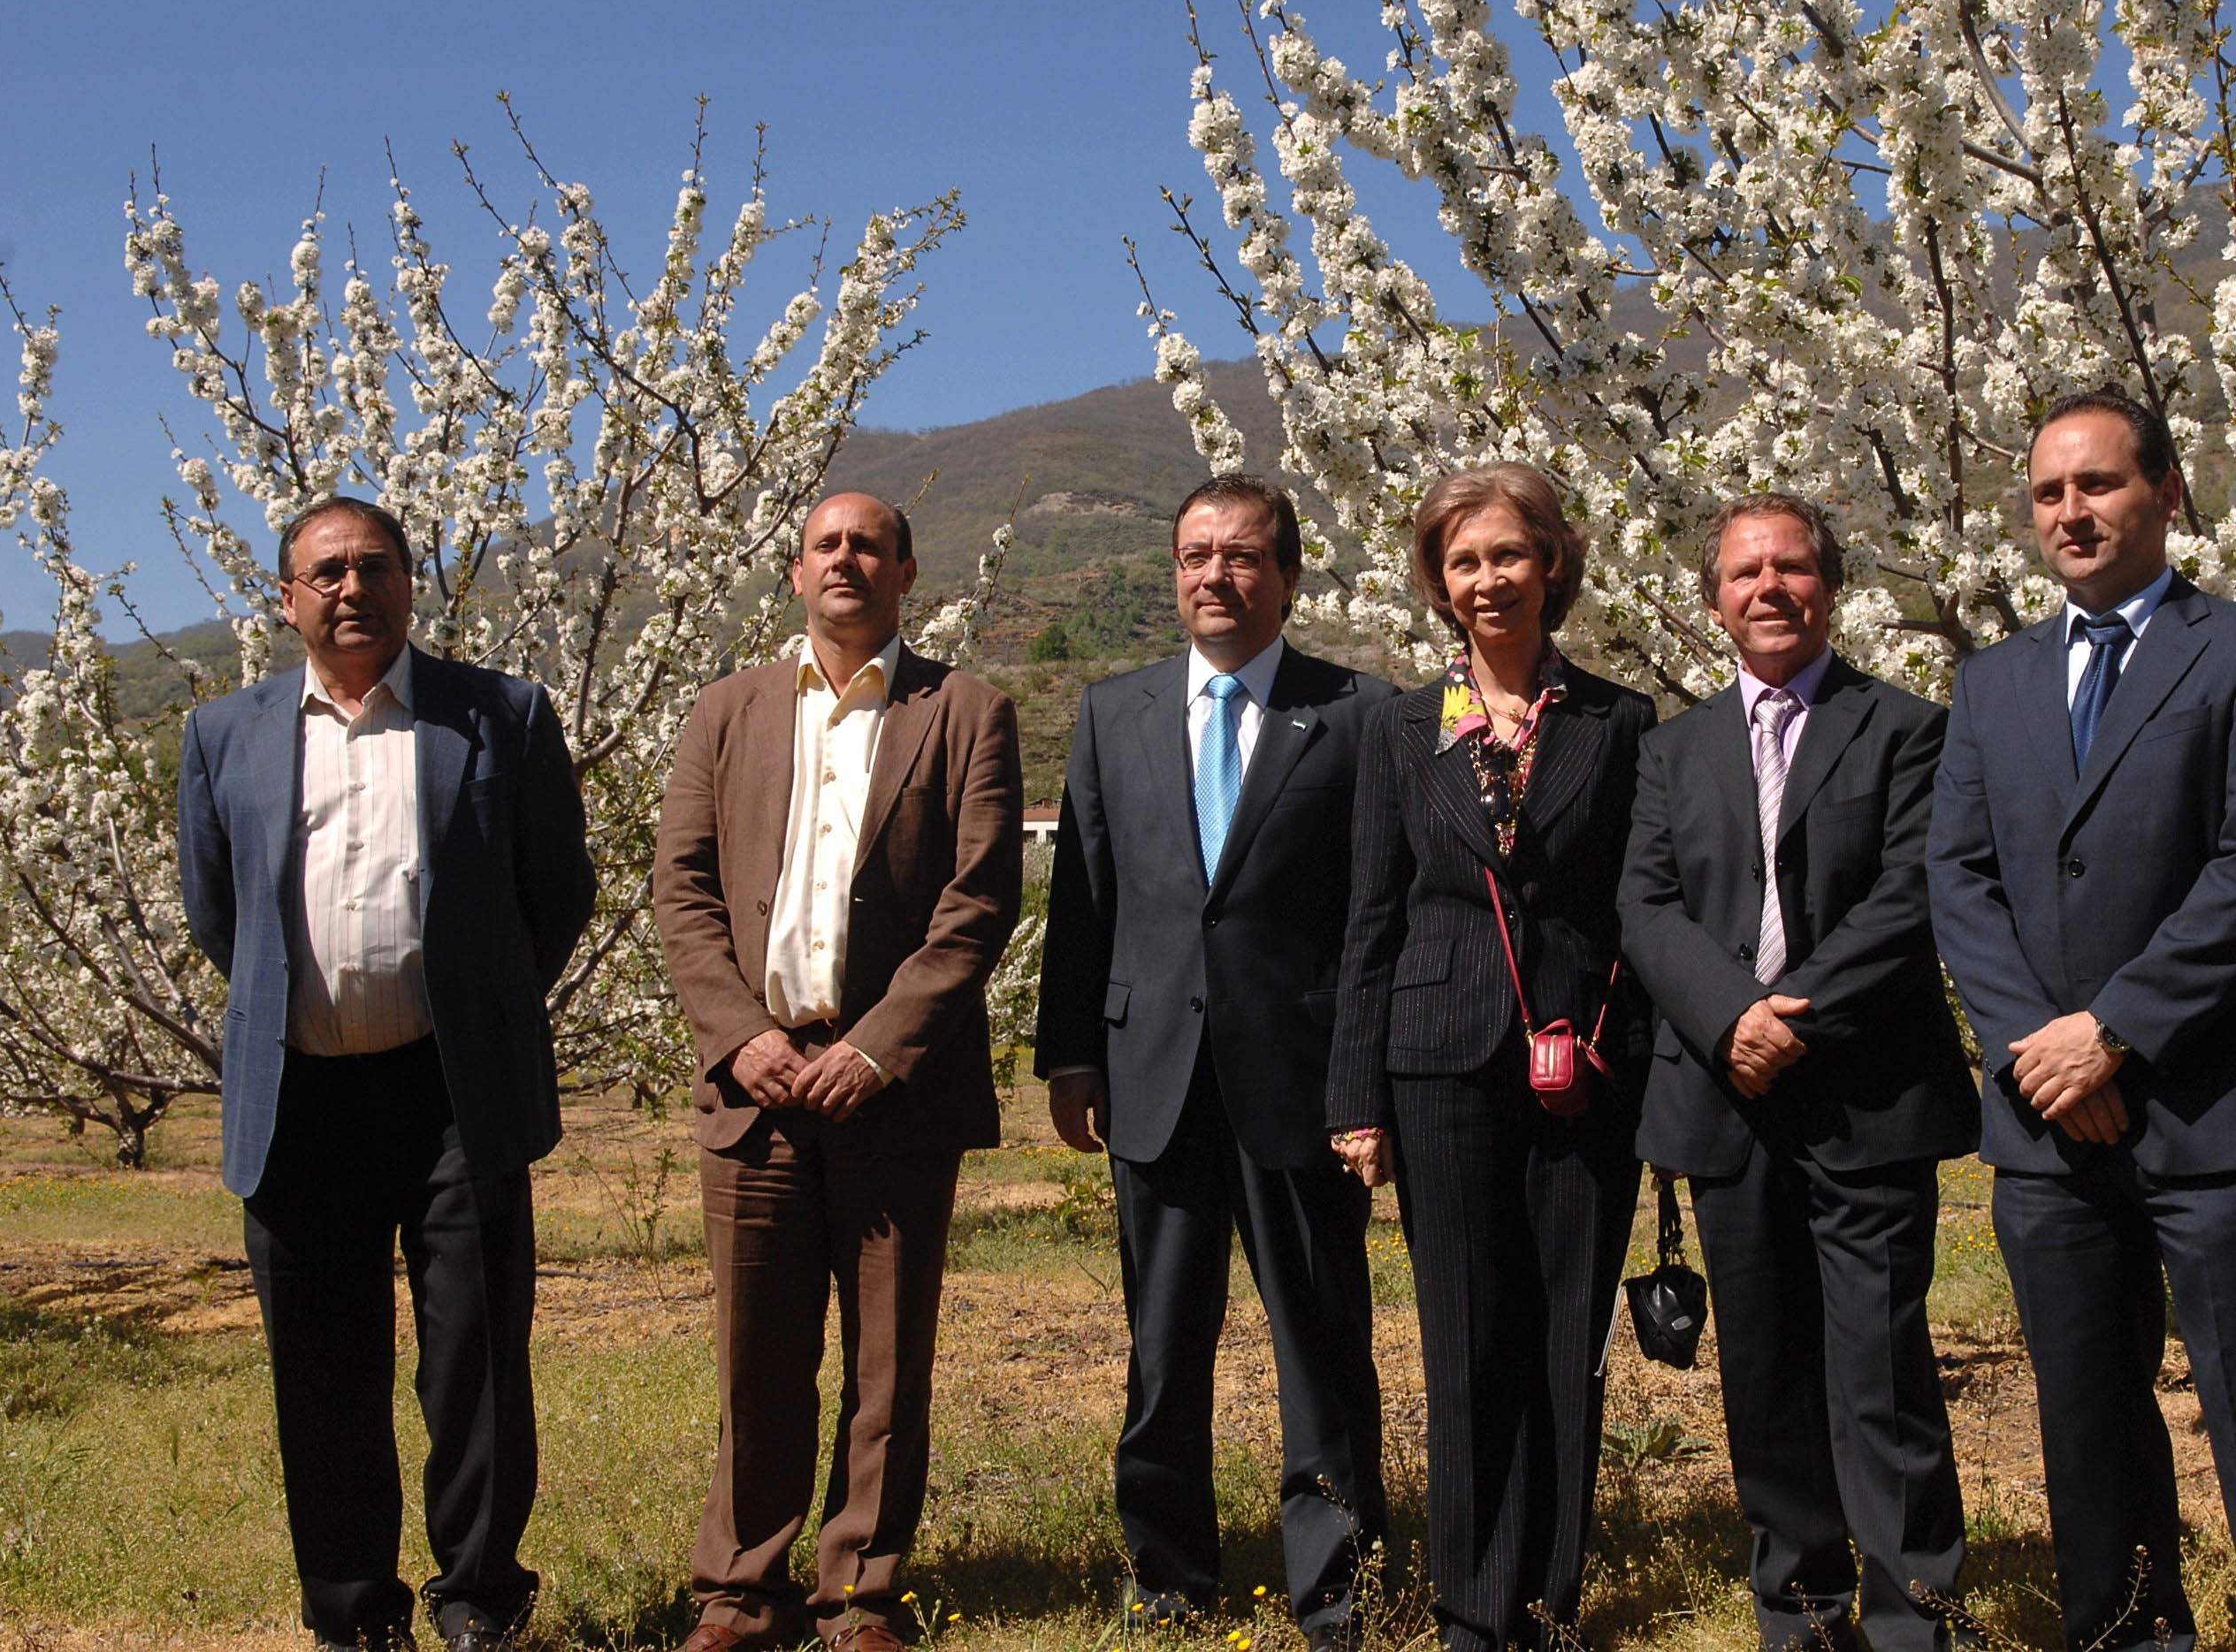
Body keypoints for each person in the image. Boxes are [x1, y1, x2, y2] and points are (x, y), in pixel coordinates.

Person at [1926, 391, 2236, 1652]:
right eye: (2049, 492)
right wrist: (2042, 1053)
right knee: (2090, 1424)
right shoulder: (1994, 680)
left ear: (2166, 493)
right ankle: (2127, 1635)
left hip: (2212, 1111)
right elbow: (1961, 879)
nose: (2071, 512)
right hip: (2050, 1132)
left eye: (2100, 484)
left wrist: (2111, 1031)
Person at [178, 496, 595, 1652]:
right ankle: (356, 1615)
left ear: (413, 583)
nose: (351, 588)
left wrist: (480, 1006)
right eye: (326, 572)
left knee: (476, 1361)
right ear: (287, 599)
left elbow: (556, 890)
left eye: (375, 566)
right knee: (322, 1371)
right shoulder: (224, 735)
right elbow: (218, 915)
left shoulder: (501, 715)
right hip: (300, 1099)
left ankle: (479, 1601)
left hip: (455, 1095)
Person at [652, 491, 1025, 1652]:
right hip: (754, 1087)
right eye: (827, 544)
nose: (847, 559)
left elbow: (979, 901)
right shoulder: (727, 711)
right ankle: (741, 1596)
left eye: (870, 544)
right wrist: (739, 1034)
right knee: (757, 1359)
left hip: (894, 1092)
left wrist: (877, 1047)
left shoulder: (965, 711)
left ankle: (861, 1596)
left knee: (887, 1364)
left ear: (907, 573)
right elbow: (682, 890)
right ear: (797, 571)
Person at [1034, 473, 1395, 1648]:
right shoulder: (1115, 712)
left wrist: (1366, 1079)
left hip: (1303, 1082)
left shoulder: (1359, 713)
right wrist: (1070, 1056)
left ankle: (1336, 1589)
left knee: (1321, 1347)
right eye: (1196, 556)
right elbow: (1082, 899)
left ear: (1287, 575)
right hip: (1154, 1077)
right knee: (1161, 1350)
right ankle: (1168, 1578)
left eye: (1242, 556)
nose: (1215, 577)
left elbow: (1375, 912)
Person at [1617, 494, 1980, 1652]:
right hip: (1729, 1100)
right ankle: (1802, 1613)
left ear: (1831, 587)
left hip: (1865, 1099)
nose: (1768, 588)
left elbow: (1909, 898)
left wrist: (1795, 1022)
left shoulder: (1908, 730)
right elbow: (1646, 905)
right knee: (1765, 1375)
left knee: (1881, 1374)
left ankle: (1913, 1614)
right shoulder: (1672, 750)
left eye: (1791, 568)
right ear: (1715, 600)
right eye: (1744, 573)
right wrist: (1731, 1019)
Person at [1328, 462, 1655, 1652]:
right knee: (1465, 1339)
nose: (1487, 579)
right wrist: (1355, 1094)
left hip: (1585, 1066)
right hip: (1438, 1061)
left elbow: (1638, 905)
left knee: (1568, 1338)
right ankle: (1472, 1608)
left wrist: (1622, 1048)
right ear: (1438, 582)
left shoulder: (1619, 722)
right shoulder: (1399, 728)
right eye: (1463, 561)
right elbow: (1372, 915)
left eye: (1509, 553)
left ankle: (1549, 1598)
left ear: (1551, 563)